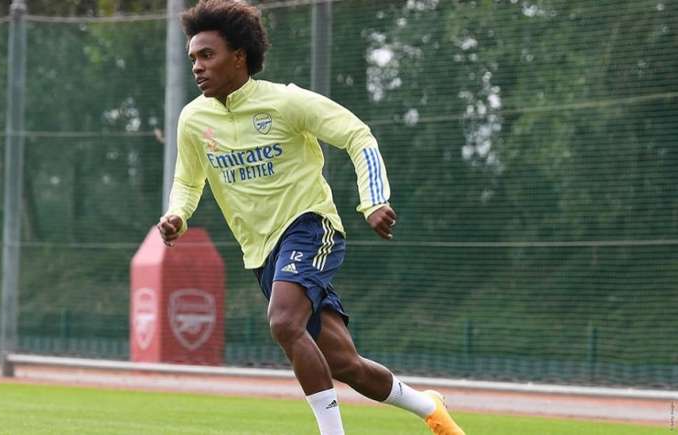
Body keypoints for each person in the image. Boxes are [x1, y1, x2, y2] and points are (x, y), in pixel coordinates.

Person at [157, 1, 465, 434]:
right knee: (346, 363)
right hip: (262, 252)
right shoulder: (194, 119)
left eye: (207, 55)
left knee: (283, 322)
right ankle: (428, 407)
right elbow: (188, 182)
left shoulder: (285, 102)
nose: (197, 67)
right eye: (193, 58)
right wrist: (176, 216)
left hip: (310, 227)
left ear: (239, 56)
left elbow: (358, 135)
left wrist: (373, 200)